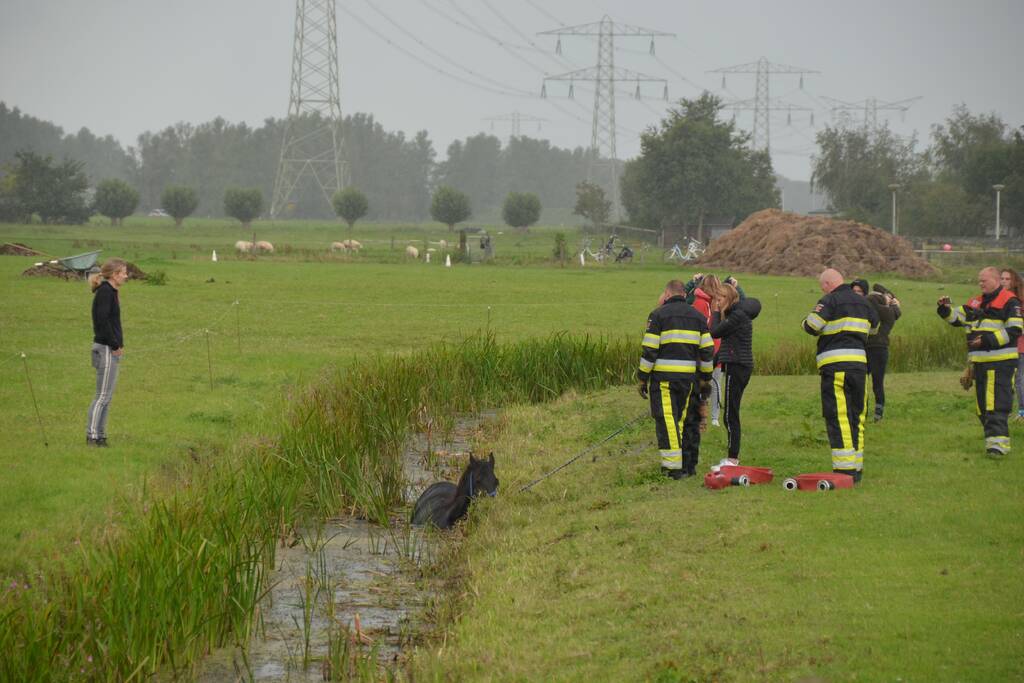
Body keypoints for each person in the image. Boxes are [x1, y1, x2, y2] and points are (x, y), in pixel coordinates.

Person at [802, 269, 879, 482]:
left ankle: (844, 472)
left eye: (822, 287)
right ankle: (857, 468)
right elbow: (874, 328)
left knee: (838, 416)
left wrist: (806, 320)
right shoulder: (864, 302)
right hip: (860, 367)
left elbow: (812, 325)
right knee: (857, 416)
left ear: (827, 284)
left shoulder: (830, 300)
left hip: (835, 366)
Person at [938, 267, 1023, 457]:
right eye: (979, 280)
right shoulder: (975, 301)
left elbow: (1015, 330)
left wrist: (987, 340)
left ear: (996, 280)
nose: (980, 283)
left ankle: (998, 448)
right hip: (980, 362)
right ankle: (992, 441)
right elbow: (957, 318)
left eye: (983, 280)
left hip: (1001, 362)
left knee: (996, 405)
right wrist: (944, 309)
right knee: (982, 407)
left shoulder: (1010, 301)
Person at [638, 279, 715, 479]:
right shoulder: (698, 317)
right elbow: (707, 351)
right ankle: (682, 465)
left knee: (667, 421)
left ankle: (673, 469)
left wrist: (642, 378)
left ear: (667, 293)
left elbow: (650, 350)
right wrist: (705, 377)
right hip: (688, 380)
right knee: (680, 420)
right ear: (683, 294)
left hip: (664, 380)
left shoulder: (658, 316)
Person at [710, 283, 761, 466]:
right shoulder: (735, 315)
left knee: (730, 414)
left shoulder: (737, 316)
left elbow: (714, 332)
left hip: (738, 366)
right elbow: (726, 345)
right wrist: (712, 364)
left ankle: (732, 459)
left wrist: (715, 312)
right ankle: (732, 456)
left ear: (730, 298)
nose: (717, 302)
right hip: (737, 365)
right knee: (730, 412)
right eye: (716, 298)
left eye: (721, 298)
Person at [86, 258, 128, 447]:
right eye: (124, 272)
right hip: (105, 349)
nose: (126, 276)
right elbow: (103, 322)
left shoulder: (111, 292)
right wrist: (114, 344)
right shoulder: (105, 293)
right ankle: (92, 436)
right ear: (114, 274)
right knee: (102, 396)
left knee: (107, 397)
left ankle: (101, 435)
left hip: (109, 348)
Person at [851, 279, 902, 422]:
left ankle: (868, 413)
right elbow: (897, 313)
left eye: (859, 292)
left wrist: (890, 302)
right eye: (854, 291)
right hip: (872, 349)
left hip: (871, 348)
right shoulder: (888, 310)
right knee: (872, 383)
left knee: (869, 383)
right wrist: (893, 303)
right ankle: (874, 413)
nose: (856, 295)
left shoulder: (869, 307)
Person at [1000, 267, 1024, 420]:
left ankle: (1022, 412)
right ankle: (1005, 410)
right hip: (1004, 345)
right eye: (1001, 278)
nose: (1003, 281)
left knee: (1019, 379)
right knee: (1004, 379)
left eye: (1007, 279)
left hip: (1020, 344)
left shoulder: (1019, 299)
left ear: (1014, 281)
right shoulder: (1000, 298)